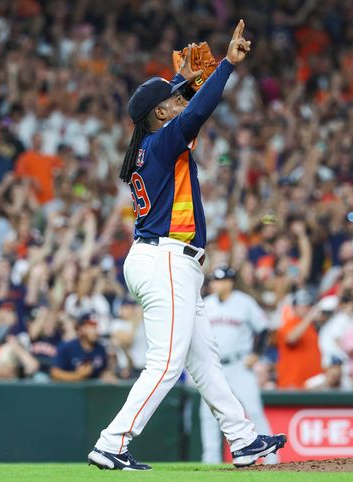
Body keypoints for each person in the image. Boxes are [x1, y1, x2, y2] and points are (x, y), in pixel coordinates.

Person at [89, 21, 285, 472]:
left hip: (164, 258)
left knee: (204, 361)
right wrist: (227, 68)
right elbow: (198, 113)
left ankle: (243, 440)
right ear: (159, 114)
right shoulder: (162, 142)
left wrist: (189, 81)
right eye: (173, 100)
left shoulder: (153, 143)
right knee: (166, 364)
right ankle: (111, 443)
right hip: (166, 258)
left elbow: (184, 110)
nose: (181, 102)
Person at [199, 266, 278, 465]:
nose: (217, 284)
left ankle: (272, 459)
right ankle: (210, 460)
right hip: (213, 367)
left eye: (221, 280)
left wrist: (256, 354)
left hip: (239, 364)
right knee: (208, 414)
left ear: (230, 282)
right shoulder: (206, 304)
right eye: (214, 280)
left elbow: (263, 328)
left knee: (253, 409)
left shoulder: (244, 302)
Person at [276, 289, 324, 389]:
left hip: (313, 383)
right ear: (294, 307)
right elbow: (291, 338)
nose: (307, 308)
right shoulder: (288, 324)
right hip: (292, 383)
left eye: (309, 305)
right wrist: (310, 317)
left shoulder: (311, 327)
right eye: (303, 305)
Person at [51, 312, 109, 382]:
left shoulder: (101, 349)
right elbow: (54, 373)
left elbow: (104, 371)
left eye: (95, 327)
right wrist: (77, 376)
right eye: (90, 327)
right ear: (80, 329)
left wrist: (107, 376)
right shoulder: (67, 347)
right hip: (69, 391)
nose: (94, 330)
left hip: (93, 392)